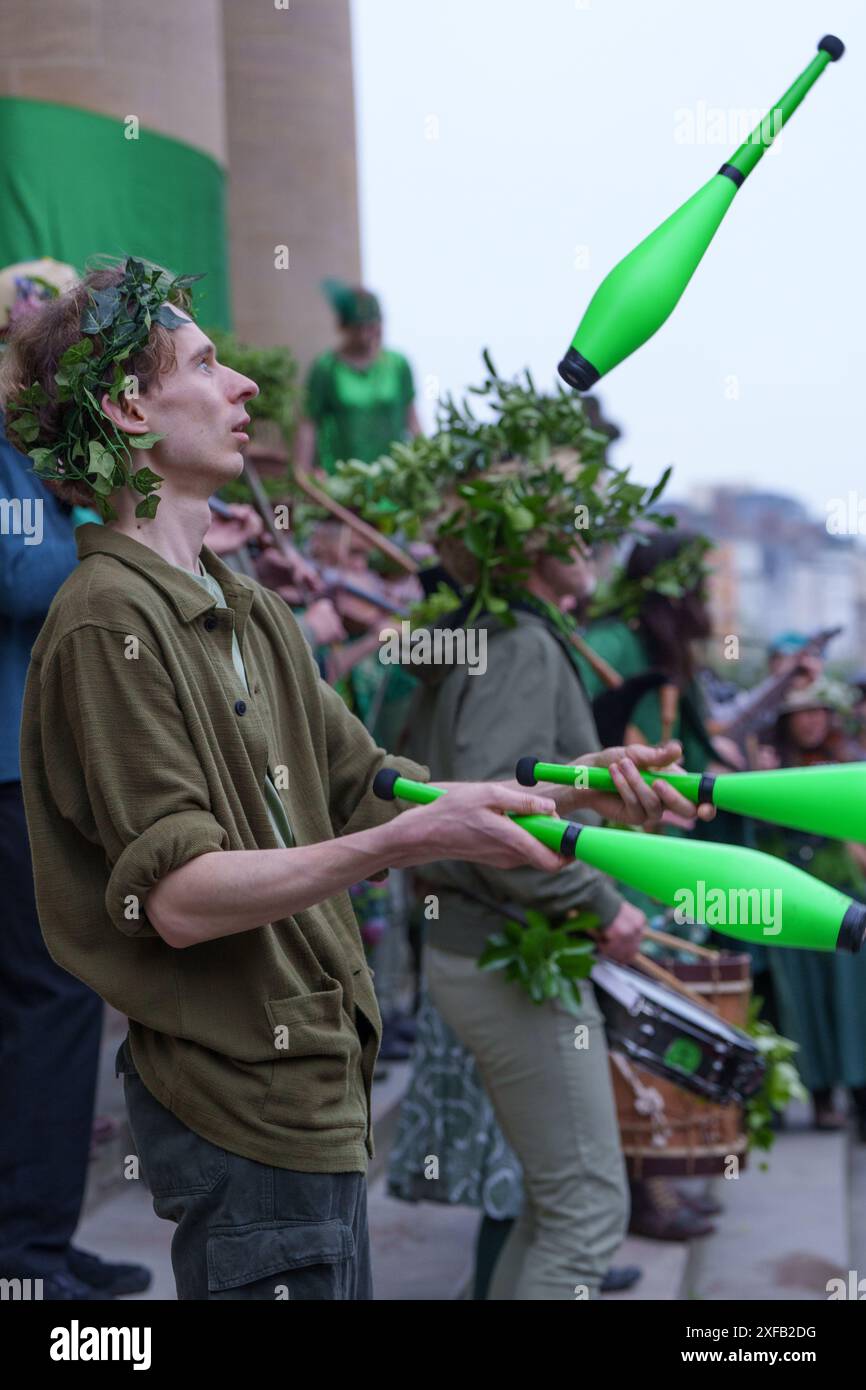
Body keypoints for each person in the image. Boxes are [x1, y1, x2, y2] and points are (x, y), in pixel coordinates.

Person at [2, 258, 687, 1301]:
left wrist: (574, 790)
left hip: (318, 1094)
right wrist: (395, 845)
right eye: (205, 363)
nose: (244, 389)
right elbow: (180, 899)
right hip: (241, 1109)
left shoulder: (250, 607)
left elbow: (376, 784)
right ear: (130, 407)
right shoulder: (106, 621)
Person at [329, 362, 712, 1298]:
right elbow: (494, 808)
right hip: (505, 950)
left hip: (492, 947)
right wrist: (598, 902)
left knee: (551, 1205)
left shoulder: (488, 632)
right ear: (527, 550)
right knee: (586, 1215)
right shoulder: (521, 642)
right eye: (566, 525)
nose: (590, 539)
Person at [0, 256, 151, 1300]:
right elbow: (29, 576)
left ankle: (38, 1235)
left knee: (46, 1010)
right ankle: (29, 1253)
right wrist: (109, 528)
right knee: (49, 1006)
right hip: (5, 771)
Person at [756, 680, 866, 1134]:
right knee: (802, 1002)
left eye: (818, 711)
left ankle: (860, 1099)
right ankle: (819, 1098)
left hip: (844, 894)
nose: (811, 720)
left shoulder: (848, 765)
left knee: (854, 1001)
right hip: (793, 900)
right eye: (801, 712)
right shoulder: (767, 768)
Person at [293, 279, 419, 482]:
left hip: (394, 480)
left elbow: (411, 419)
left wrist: (426, 462)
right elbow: (309, 424)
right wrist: (303, 475)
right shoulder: (326, 368)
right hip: (342, 482)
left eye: (372, 325)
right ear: (344, 326)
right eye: (358, 327)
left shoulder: (398, 365)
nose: (365, 334)